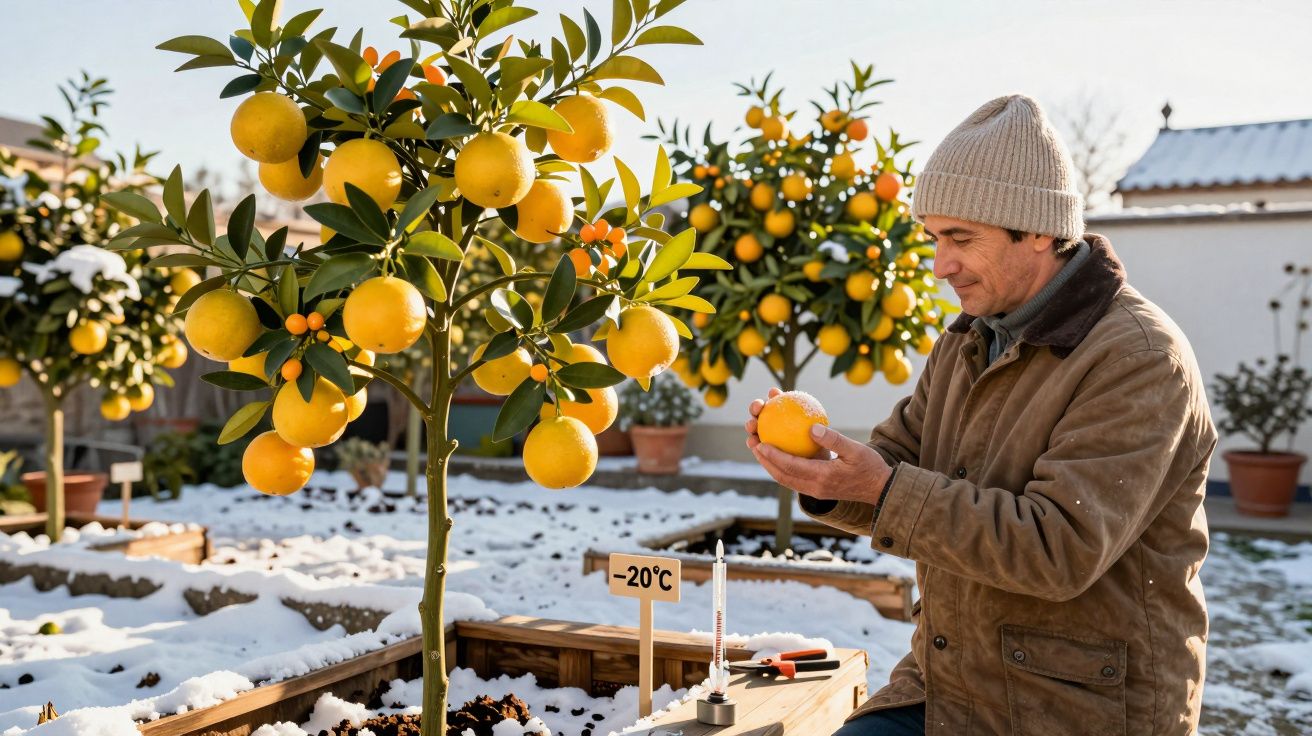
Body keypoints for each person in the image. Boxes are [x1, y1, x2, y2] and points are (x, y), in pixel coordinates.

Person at [744, 94, 1216, 735]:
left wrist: (879, 487)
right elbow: (892, 469)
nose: (941, 266)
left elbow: (1058, 549)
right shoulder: (969, 339)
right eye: (936, 238)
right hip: (950, 682)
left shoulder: (1138, 358)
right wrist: (823, 473)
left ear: (1041, 231)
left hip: (1079, 709)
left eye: (962, 239)